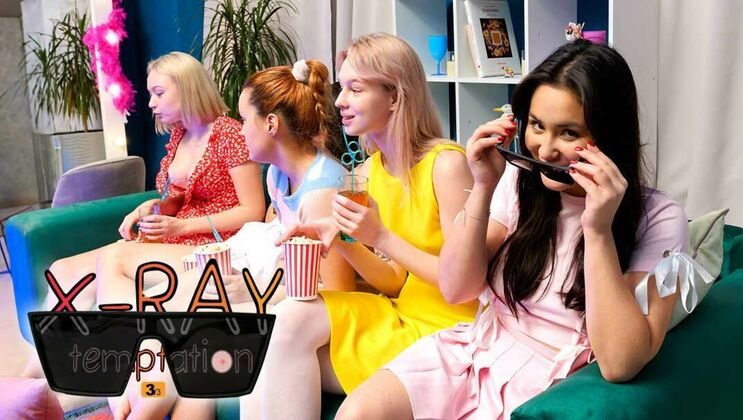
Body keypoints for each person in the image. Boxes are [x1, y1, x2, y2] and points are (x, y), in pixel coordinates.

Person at [335, 39, 689, 419]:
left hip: (549, 383)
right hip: (477, 350)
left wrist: (598, 229)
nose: (545, 150)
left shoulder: (660, 217)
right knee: (358, 412)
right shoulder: (519, 185)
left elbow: (620, 363)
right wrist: (483, 187)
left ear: (610, 135)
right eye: (537, 126)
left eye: (569, 133)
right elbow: (457, 288)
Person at [102, 59, 358, 420]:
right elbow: (271, 243)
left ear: (271, 124)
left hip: (305, 317)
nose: (239, 130)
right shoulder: (278, 178)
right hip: (269, 293)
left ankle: (136, 400)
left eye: (244, 119)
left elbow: (337, 293)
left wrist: (252, 291)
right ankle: (133, 391)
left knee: (185, 346)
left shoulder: (322, 191)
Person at [245, 33, 479, 419]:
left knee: (277, 348)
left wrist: (379, 236)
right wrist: (342, 240)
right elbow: (394, 281)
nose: (339, 101)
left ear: (394, 96)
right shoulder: (368, 172)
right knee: (284, 317)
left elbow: (464, 285)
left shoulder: (447, 165)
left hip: (451, 329)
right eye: (342, 88)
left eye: (355, 89)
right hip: (399, 313)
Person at [37, 51, 266, 314]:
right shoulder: (180, 134)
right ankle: (59, 339)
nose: (151, 103)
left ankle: (118, 334)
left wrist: (182, 226)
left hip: (214, 245)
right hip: (174, 237)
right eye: (150, 94)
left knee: (109, 261)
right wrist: (152, 207)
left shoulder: (230, 134)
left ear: (188, 88)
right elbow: (184, 199)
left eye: (159, 93)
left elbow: (253, 210)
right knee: (62, 269)